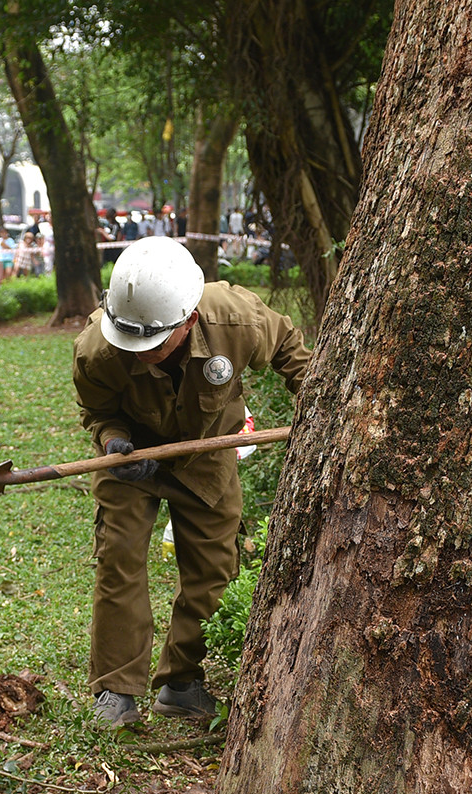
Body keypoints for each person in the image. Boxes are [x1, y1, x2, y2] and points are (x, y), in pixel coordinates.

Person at [74, 237, 312, 727]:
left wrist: (316, 402)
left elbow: (291, 348)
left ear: (190, 320)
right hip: (132, 459)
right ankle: (116, 689)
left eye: (155, 344)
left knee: (214, 570)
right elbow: (97, 413)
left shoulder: (236, 317)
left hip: (208, 451)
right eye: (131, 344)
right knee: (119, 559)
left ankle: (181, 681)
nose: (141, 355)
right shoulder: (97, 349)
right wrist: (114, 444)